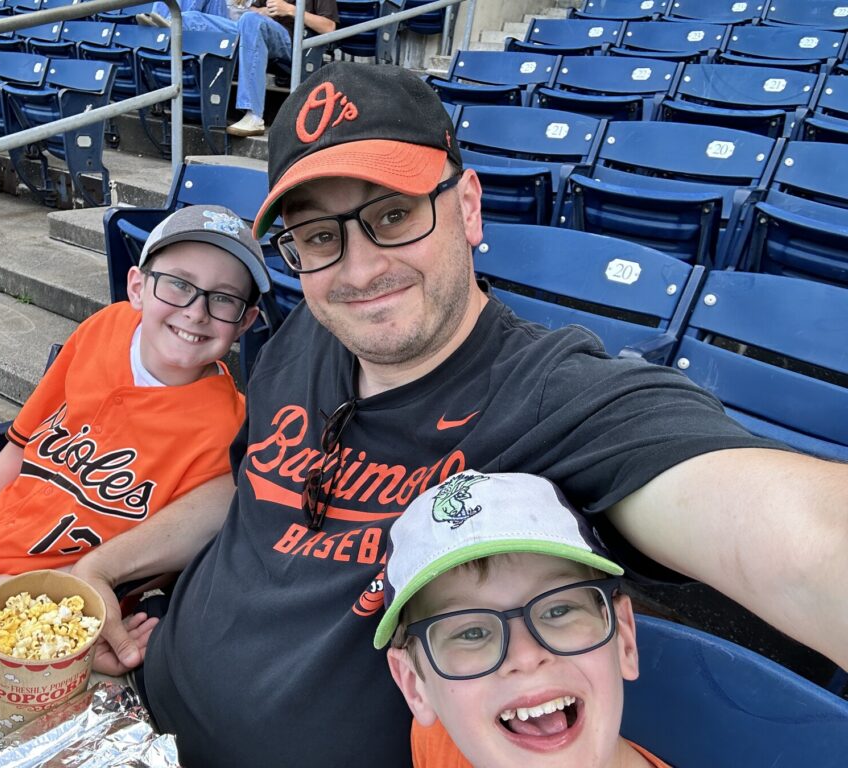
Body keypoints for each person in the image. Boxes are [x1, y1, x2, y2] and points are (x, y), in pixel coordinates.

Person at [72, 62, 848, 768]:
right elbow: (246, 494)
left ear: (467, 207)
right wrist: (99, 571)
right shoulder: (306, 331)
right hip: (132, 715)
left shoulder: (555, 397)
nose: (361, 267)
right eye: (318, 237)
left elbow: (804, 540)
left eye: (394, 214)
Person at [0, 204, 270, 768]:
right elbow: (21, 443)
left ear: (247, 322)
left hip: (42, 611)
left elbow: (153, 567)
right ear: (137, 286)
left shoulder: (228, 429)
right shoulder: (103, 330)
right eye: (177, 284)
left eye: (224, 299)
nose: (197, 312)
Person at [378, 471, 668, 768]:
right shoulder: (438, 744)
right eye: (472, 633)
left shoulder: (460, 720)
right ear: (415, 685)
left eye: (558, 610)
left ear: (624, 639)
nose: (526, 656)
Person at [174, 0, 338, 137]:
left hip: (294, 41)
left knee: (250, 20)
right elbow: (252, 8)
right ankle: (162, 32)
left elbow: (329, 27)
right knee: (190, 18)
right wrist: (264, 11)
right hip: (255, 30)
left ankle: (254, 116)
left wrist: (290, 10)